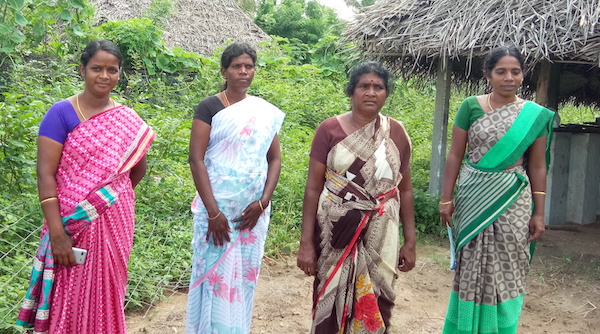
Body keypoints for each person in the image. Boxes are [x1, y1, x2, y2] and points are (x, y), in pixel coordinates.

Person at [16, 39, 155, 333]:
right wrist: (57, 232)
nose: (104, 76)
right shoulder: (60, 113)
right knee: (69, 296)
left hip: (113, 223)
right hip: (69, 224)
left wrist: (108, 198)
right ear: (82, 70)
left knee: (108, 290)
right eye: (97, 68)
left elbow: (137, 168)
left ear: (120, 74)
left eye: (112, 70)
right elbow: (45, 174)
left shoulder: (127, 118)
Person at [439, 46, 555, 333]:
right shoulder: (471, 106)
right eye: (501, 71)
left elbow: (538, 167)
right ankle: (465, 327)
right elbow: (455, 154)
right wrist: (445, 198)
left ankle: (501, 328)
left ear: (523, 75)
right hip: (472, 196)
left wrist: (539, 213)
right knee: (471, 265)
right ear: (488, 75)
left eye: (515, 71)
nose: (509, 77)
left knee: (508, 265)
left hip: (513, 199)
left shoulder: (533, 116)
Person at [297, 61, 417, 333]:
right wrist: (306, 242)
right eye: (364, 86)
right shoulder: (328, 130)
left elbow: (405, 189)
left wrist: (410, 241)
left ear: (386, 94)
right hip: (335, 231)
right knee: (329, 291)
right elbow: (313, 189)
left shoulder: (396, 132)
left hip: (382, 231)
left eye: (379, 87)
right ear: (352, 91)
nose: (371, 92)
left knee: (379, 297)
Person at [186, 42, 285, 333]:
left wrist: (263, 202)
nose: (244, 71)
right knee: (213, 275)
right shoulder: (210, 106)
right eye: (237, 66)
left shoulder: (262, 112)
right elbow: (196, 159)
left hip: (251, 214)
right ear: (224, 71)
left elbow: (275, 157)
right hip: (216, 212)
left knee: (243, 277)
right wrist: (214, 213)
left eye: (249, 66)